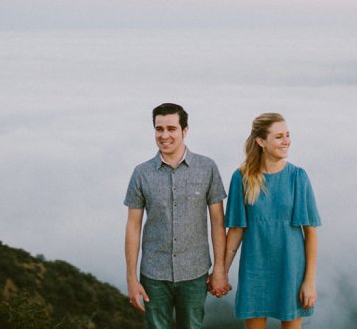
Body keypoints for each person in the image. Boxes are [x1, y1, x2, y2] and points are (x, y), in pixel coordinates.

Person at [124, 102, 230, 329]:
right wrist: (131, 279)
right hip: (153, 273)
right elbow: (133, 226)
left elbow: (218, 222)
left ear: (185, 130)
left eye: (171, 128)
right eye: (159, 129)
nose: (164, 135)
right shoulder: (141, 173)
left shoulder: (207, 167)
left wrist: (220, 270)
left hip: (195, 272)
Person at [223, 112, 321, 328]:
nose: (287, 141)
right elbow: (236, 231)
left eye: (287, 135)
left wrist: (309, 281)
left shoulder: (298, 177)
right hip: (255, 270)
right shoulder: (241, 178)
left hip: (291, 270)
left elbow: (311, 233)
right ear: (261, 141)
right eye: (279, 136)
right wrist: (221, 273)